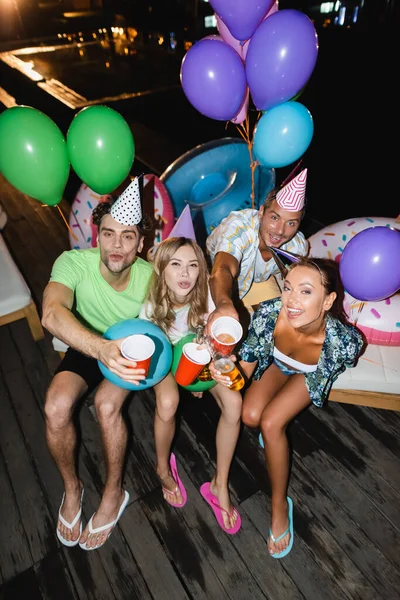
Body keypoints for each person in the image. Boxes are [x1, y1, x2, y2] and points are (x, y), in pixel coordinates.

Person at [210, 257, 364, 557]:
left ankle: (279, 504)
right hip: (278, 365)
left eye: (306, 292)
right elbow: (245, 368)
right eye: (288, 287)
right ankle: (272, 439)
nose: (291, 300)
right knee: (250, 416)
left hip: (309, 373)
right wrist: (225, 372)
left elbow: (328, 372)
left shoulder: (343, 342)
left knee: (271, 423)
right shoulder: (269, 314)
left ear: (329, 300)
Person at [41, 179, 154, 551]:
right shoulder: (73, 262)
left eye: (127, 236)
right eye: (108, 234)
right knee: (55, 406)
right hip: (88, 343)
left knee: (106, 407)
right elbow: (52, 313)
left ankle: (113, 493)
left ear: (141, 241)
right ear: (97, 235)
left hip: (131, 349)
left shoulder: (151, 277)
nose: (116, 245)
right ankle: (72, 489)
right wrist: (100, 348)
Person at [139, 235, 243, 534]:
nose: (185, 274)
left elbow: (218, 342)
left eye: (193, 265)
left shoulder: (208, 299)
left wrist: (220, 360)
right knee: (168, 403)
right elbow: (151, 352)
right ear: (161, 269)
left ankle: (219, 485)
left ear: (201, 269)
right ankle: (162, 469)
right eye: (175, 264)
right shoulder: (150, 304)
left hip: (200, 355)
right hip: (163, 358)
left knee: (234, 402)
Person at [205, 168, 310, 332]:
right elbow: (222, 269)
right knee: (219, 329)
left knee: (282, 327)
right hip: (214, 280)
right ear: (261, 212)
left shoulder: (297, 247)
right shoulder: (239, 226)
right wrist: (224, 304)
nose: (280, 231)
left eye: (291, 223)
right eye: (275, 218)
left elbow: (299, 283)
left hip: (257, 282)